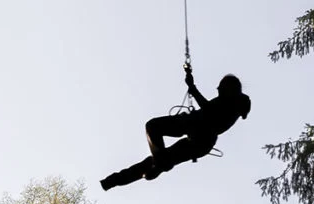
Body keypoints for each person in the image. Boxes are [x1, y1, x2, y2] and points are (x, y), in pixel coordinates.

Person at [100, 66, 251, 190]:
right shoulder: (229, 101)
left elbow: (210, 112)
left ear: (229, 88)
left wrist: (192, 87)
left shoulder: (234, 103)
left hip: (199, 137)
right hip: (196, 133)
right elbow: (210, 110)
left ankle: (157, 164)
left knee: (153, 130)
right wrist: (192, 87)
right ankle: (112, 181)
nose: (217, 88)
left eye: (221, 87)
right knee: (154, 153)